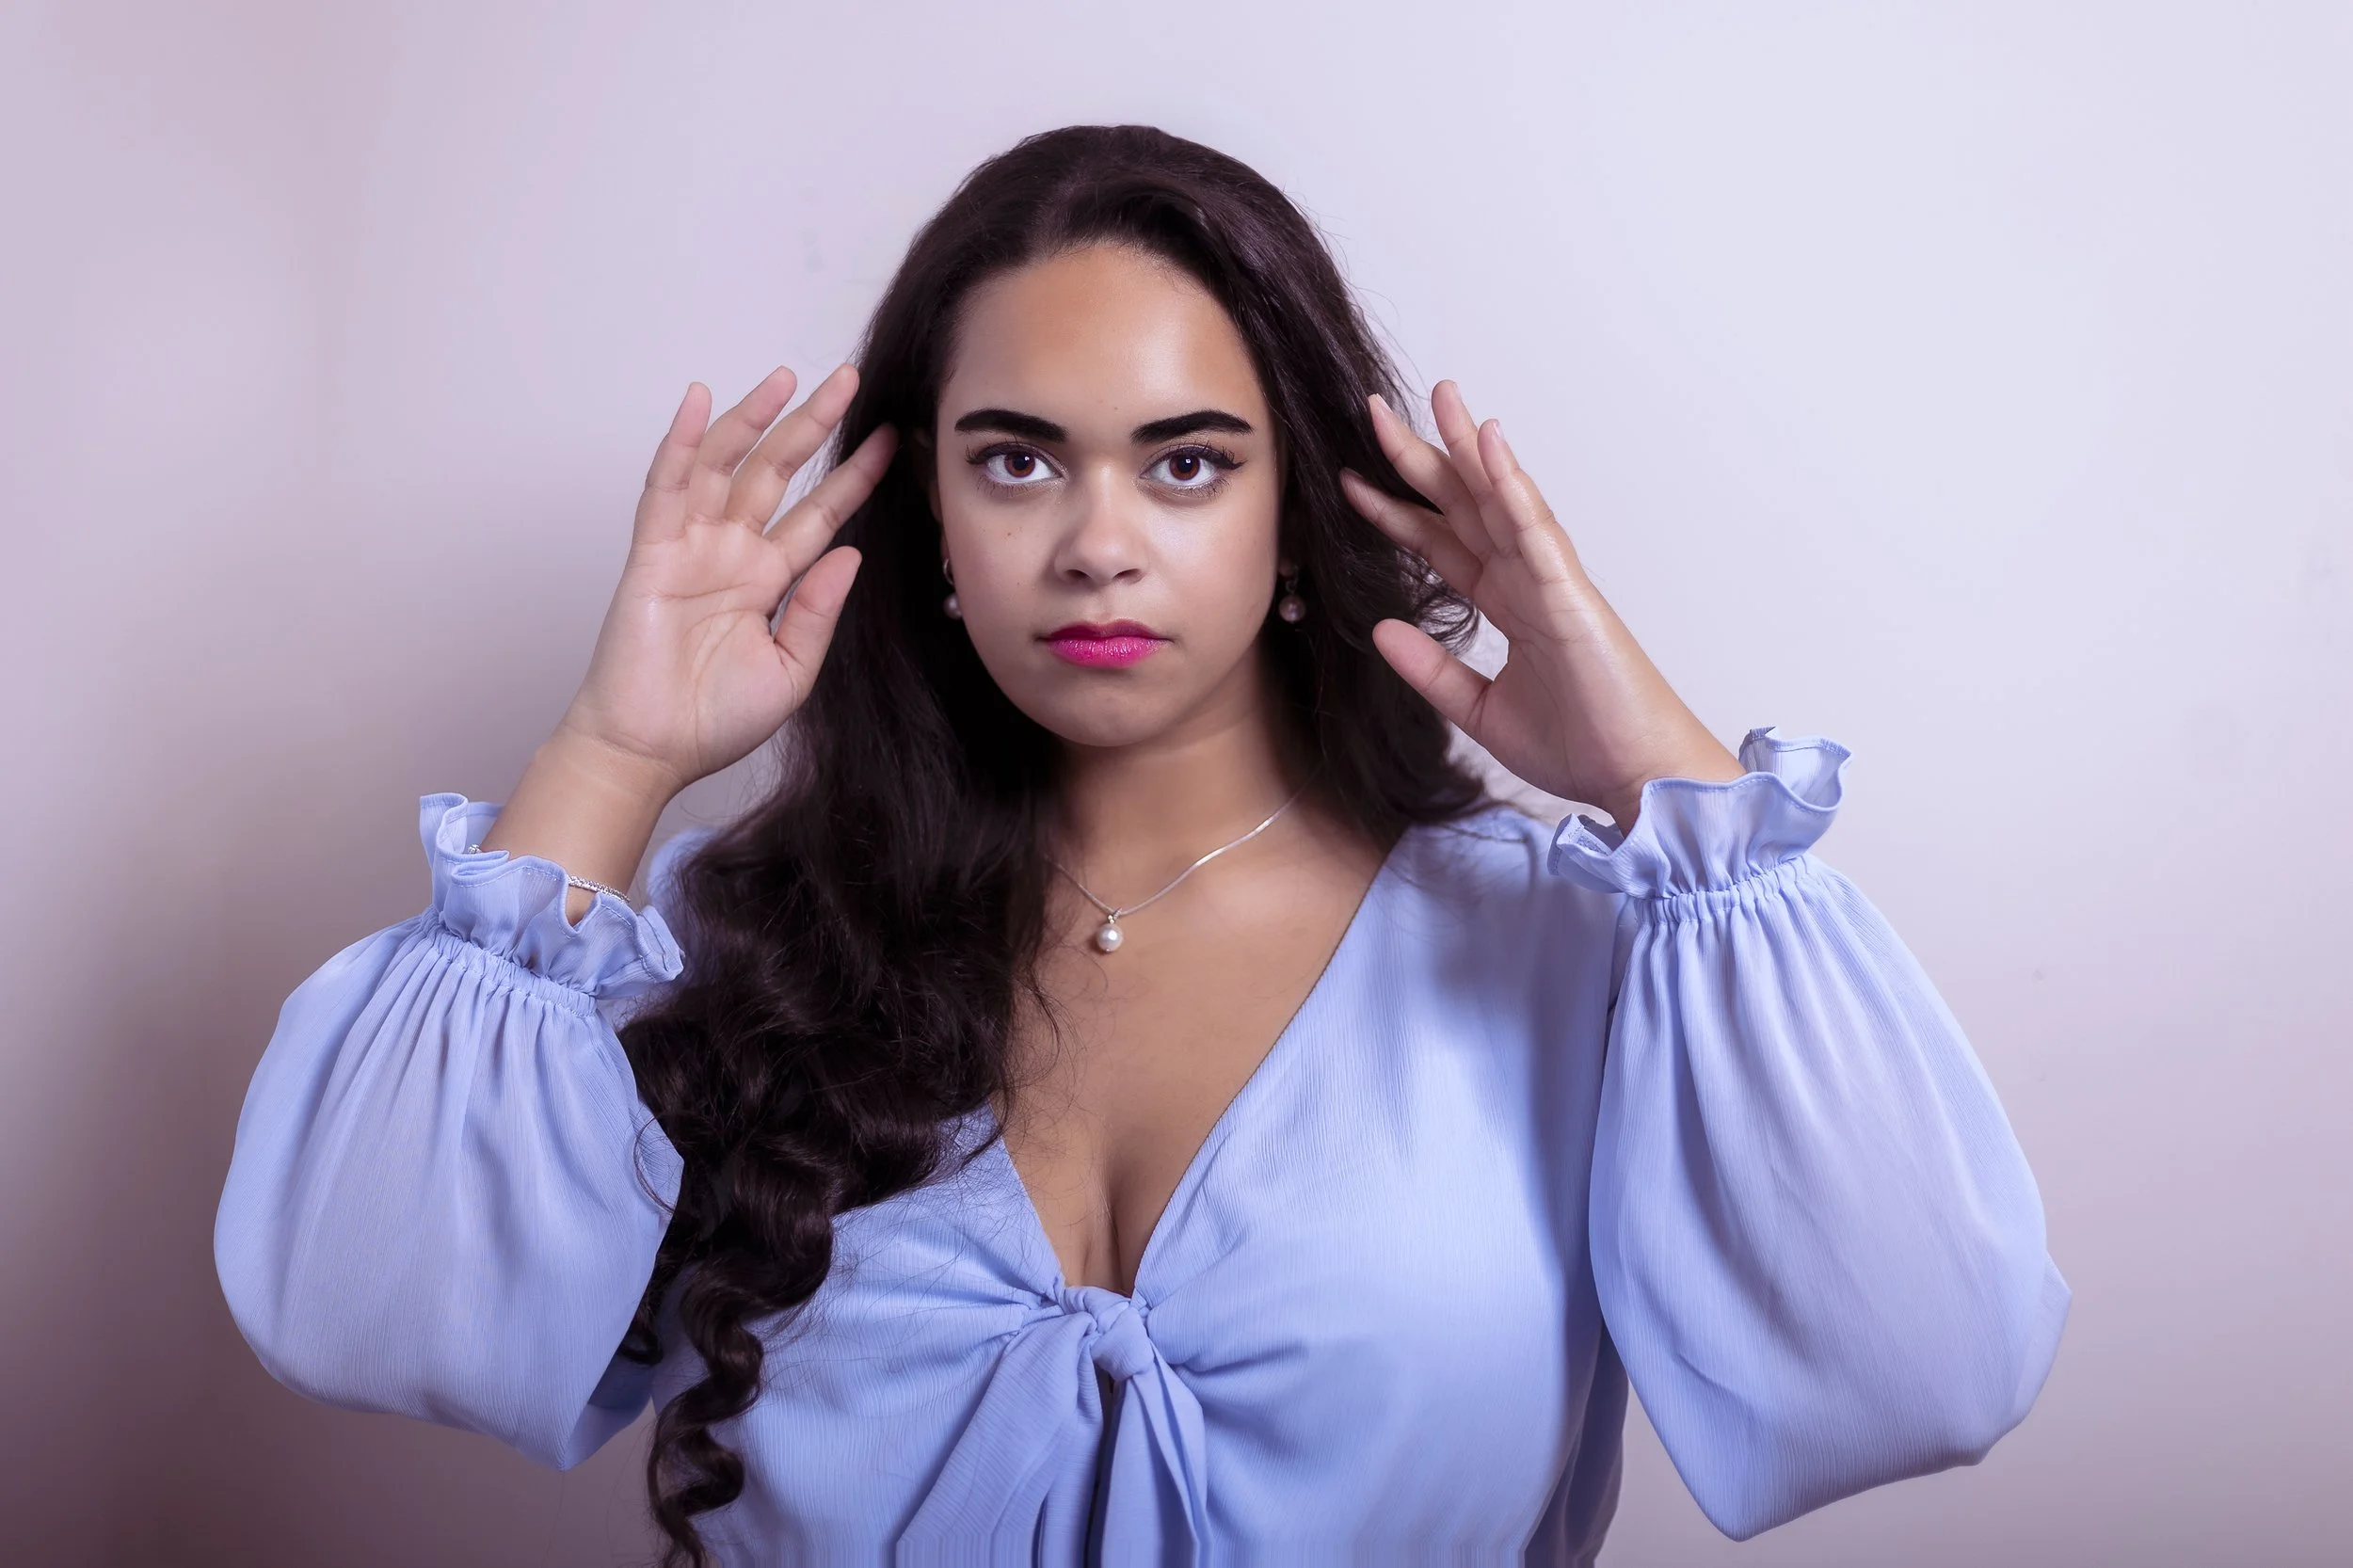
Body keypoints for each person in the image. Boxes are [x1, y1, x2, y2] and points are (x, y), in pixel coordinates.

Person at [214, 124, 2069, 1567]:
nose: (1096, 541)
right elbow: (367, 1315)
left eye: (1184, 461)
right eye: (1016, 458)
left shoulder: (1563, 946)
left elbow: (1924, 1368)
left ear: (1298, 513)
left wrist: (1652, 772)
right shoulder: (758, 938)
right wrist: (611, 753)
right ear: (926, 510)